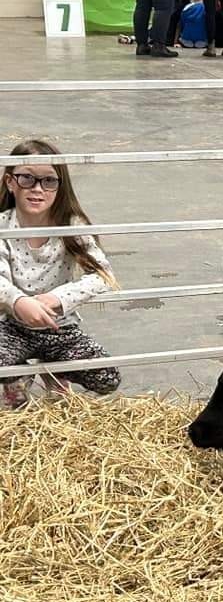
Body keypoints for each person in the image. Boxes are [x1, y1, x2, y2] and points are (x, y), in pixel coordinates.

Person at [0, 140, 121, 410]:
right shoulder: (2, 225)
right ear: (10, 182)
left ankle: (54, 368)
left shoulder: (71, 225)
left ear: (59, 186)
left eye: (48, 181)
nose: (37, 189)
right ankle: (16, 378)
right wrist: (19, 301)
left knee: (107, 378)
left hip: (60, 328)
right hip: (13, 327)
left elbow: (102, 275)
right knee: (4, 368)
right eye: (26, 178)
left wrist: (58, 298)